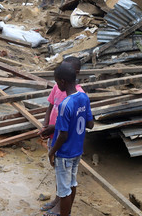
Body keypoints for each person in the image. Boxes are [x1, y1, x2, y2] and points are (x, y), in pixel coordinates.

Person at [39, 56, 86, 213]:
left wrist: (52, 151)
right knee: (62, 177)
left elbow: (65, 131)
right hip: (60, 139)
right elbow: (50, 106)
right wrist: (46, 126)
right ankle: (58, 201)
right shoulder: (61, 89)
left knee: (66, 181)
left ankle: (62, 207)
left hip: (63, 143)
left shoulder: (73, 98)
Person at [47, 62, 93, 216]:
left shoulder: (65, 105)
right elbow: (90, 124)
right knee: (72, 183)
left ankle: (64, 213)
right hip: (77, 150)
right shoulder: (84, 97)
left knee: (64, 190)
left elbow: (63, 135)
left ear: (62, 82)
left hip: (64, 153)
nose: (56, 84)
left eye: (56, 81)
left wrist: (51, 152)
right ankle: (68, 212)